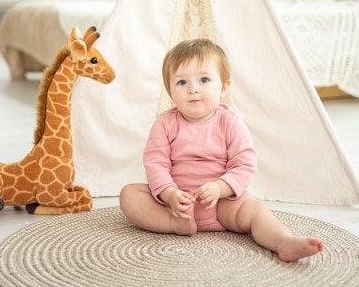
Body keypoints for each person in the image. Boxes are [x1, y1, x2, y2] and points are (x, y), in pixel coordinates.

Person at [119, 38, 323, 262]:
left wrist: (220, 187)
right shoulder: (165, 123)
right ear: (169, 91)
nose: (193, 89)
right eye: (181, 83)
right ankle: (175, 224)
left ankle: (284, 241)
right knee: (130, 194)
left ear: (224, 87)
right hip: (175, 204)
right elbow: (156, 163)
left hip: (223, 205)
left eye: (204, 79)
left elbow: (244, 165)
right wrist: (170, 194)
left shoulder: (230, 122)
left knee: (256, 210)